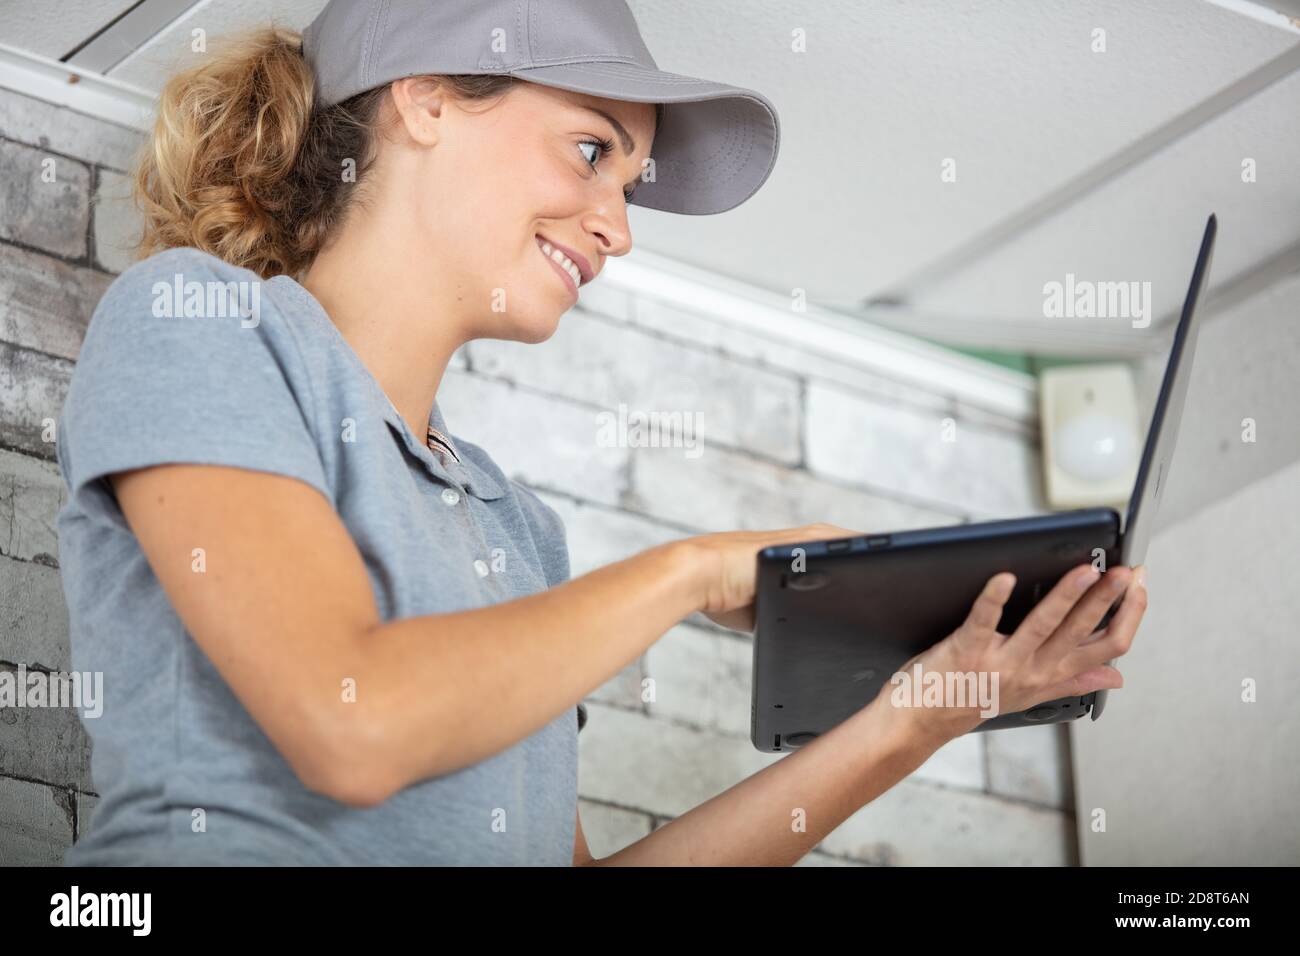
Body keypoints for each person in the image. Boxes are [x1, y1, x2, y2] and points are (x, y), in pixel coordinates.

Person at [55, 0, 1146, 866]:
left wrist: (917, 717)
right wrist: (691, 569)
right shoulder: (198, 322)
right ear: (425, 97)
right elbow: (353, 722)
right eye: (590, 152)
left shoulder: (512, 524)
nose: (618, 228)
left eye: (626, 182)